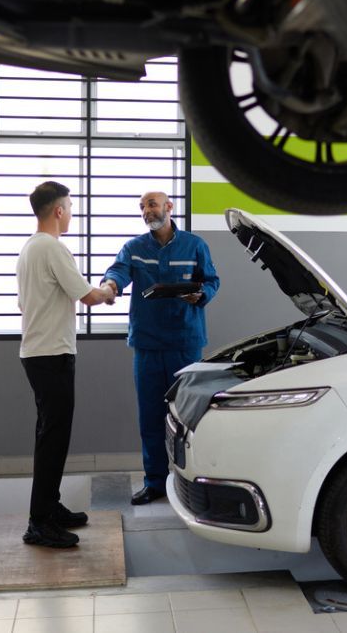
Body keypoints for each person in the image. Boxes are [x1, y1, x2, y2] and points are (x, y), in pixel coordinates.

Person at [101, 191, 219, 505]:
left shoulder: (194, 245)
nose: (145, 211)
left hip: (185, 343)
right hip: (148, 345)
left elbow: (211, 281)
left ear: (169, 207)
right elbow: (119, 272)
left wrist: (201, 295)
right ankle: (154, 482)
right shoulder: (134, 248)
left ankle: (191, 481)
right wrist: (110, 286)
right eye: (141, 206)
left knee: (189, 418)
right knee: (151, 417)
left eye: (151, 204)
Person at [17, 181, 115, 548]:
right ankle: (39, 523)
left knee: (50, 436)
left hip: (37, 353)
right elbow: (89, 296)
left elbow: (23, 304)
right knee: (53, 440)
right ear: (58, 211)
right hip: (52, 355)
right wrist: (110, 289)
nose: (72, 212)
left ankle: (49, 507)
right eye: (70, 206)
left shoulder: (29, 249)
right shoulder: (53, 248)